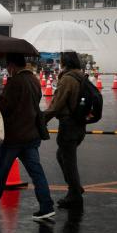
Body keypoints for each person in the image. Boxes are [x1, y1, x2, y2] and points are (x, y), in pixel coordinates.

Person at [0, 51, 55, 221]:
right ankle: (46, 206)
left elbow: (5, 107)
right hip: (31, 135)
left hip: (14, 137)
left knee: (0, 172)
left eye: (8, 66)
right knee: (37, 173)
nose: (7, 69)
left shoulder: (15, 82)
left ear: (13, 66)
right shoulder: (34, 81)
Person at [44, 51, 87, 210]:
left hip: (69, 125)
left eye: (61, 60)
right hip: (80, 124)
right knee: (62, 156)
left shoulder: (68, 79)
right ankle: (75, 187)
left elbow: (57, 104)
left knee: (68, 160)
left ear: (65, 62)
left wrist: (42, 119)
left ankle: (74, 194)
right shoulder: (80, 76)